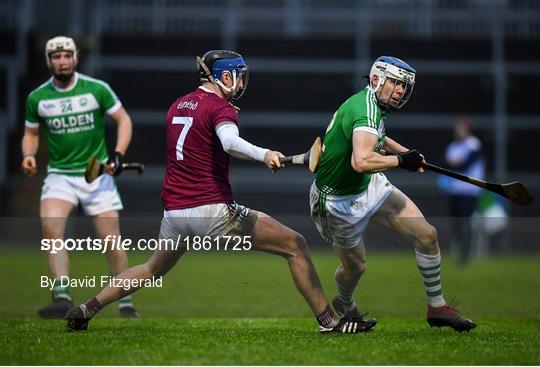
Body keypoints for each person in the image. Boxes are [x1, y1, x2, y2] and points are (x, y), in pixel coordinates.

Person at [66, 50, 375, 334]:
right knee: (295, 244)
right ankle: (329, 321)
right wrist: (265, 153)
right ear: (225, 77)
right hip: (211, 212)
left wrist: (222, 115)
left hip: (174, 213)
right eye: (238, 76)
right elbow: (228, 142)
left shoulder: (178, 105)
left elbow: (203, 140)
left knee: (150, 268)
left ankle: (87, 308)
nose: (241, 82)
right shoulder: (221, 108)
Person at [310, 56, 476, 332]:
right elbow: (361, 161)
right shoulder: (365, 110)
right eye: (396, 83)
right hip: (336, 202)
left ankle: (437, 307)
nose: (400, 90)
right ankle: (344, 303)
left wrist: (405, 152)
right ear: (376, 80)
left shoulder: (372, 104)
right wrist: (401, 162)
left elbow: (378, 136)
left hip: (369, 185)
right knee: (356, 268)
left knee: (426, 235)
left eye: (404, 86)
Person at [21, 36, 138, 318]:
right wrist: (29, 155)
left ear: (75, 58)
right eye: (56, 57)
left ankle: (124, 300)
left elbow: (123, 120)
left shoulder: (96, 89)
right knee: (51, 231)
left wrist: (118, 154)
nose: (61, 62)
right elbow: (31, 133)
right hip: (60, 176)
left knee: (110, 239)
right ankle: (61, 296)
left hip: (96, 175)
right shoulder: (38, 97)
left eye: (66, 56)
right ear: (49, 61)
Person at [440, 119, 485, 265]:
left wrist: (455, 164)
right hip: (454, 190)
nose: (458, 131)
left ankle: (467, 253)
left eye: (461, 128)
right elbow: (446, 164)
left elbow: (464, 165)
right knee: (456, 223)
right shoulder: (453, 146)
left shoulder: (473, 144)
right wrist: (455, 164)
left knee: (467, 222)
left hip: (469, 191)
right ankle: (457, 251)